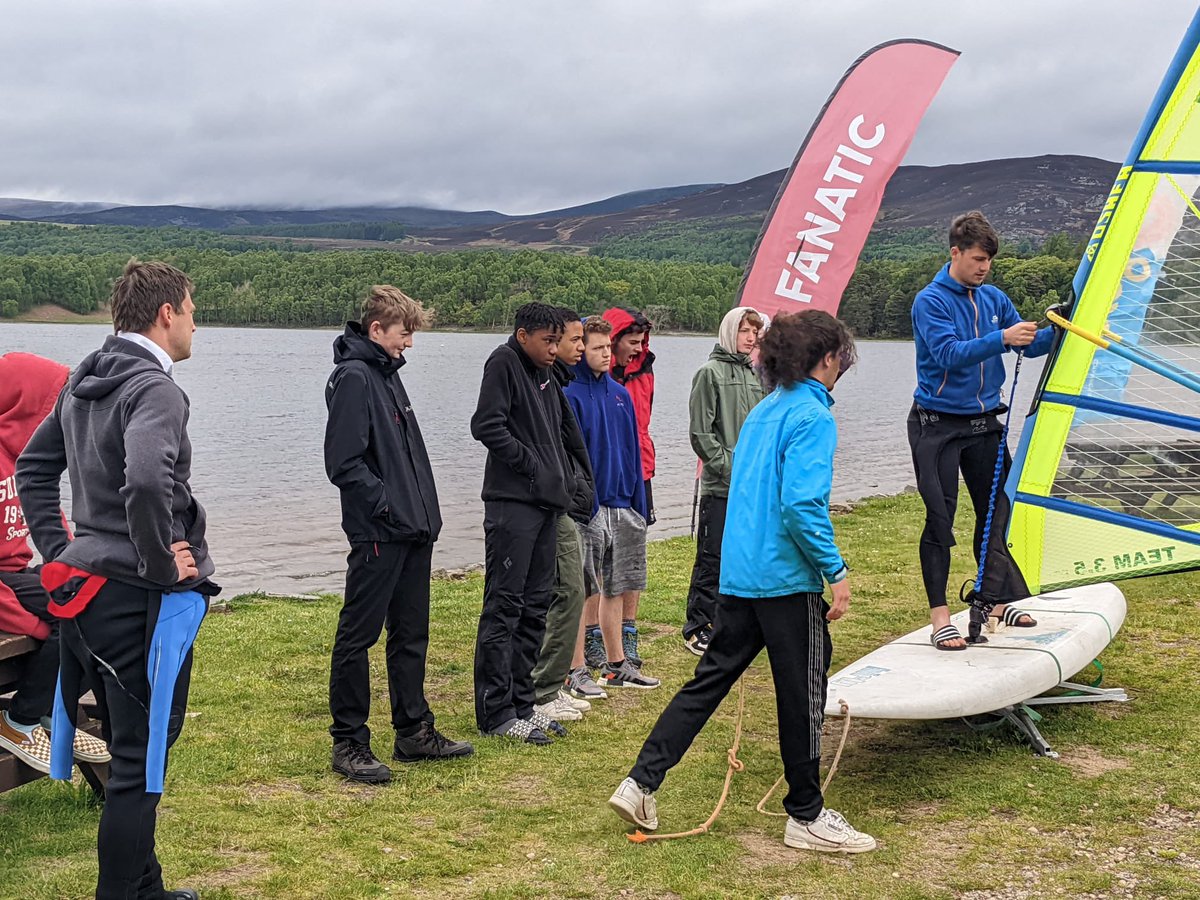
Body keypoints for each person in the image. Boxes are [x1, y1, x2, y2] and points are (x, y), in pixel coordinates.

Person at [608, 310, 876, 855]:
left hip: (740, 576)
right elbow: (802, 504)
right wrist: (835, 569)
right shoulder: (811, 417)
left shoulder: (763, 411)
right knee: (802, 691)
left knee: (709, 680)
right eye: (842, 353)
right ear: (827, 358)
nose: (845, 362)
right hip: (782, 581)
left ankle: (641, 782)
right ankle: (806, 814)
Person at [17, 259, 216, 900]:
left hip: (84, 591)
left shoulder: (84, 376)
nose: (194, 321)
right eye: (191, 308)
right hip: (134, 598)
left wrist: (57, 554)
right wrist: (159, 563)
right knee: (140, 758)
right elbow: (148, 481)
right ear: (167, 314)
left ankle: (145, 886)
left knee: (139, 745)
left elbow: (31, 469)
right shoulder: (155, 389)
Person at [323, 286, 474, 784]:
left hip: (413, 532)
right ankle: (349, 741)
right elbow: (343, 462)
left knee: (411, 635)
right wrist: (387, 507)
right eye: (404, 332)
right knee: (358, 636)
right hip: (378, 534)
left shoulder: (386, 376)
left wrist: (420, 514)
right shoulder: (353, 378)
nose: (409, 342)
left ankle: (413, 730)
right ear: (377, 329)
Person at [909, 211, 1054, 650]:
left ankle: (993, 599)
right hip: (936, 426)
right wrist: (1003, 339)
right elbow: (950, 354)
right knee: (941, 519)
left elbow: (1029, 346)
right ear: (955, 252)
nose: (983, 267)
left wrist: (1059, 325)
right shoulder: (930, 300)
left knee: (997, 513)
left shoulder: (993, 298)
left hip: (984, 425)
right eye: (976, 258)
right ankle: (939, 618)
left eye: (988, 260)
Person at [0, 352, 110, 773]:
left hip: (16, 574)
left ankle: (51, 713)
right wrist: (27, 619)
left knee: (106, 598)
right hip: (4, 584)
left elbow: (52, 523)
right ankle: (22, 718)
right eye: (51, 411)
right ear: (22, 407)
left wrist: (74, 566)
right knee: (82, 613)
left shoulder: (28, 459)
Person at [470, 302, 572, 744]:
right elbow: (486, 426)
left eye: (557, 341)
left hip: (545, 505)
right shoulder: (504, 362)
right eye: (547, 341)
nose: (554, 349)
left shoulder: (545, 375)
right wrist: (531, 467)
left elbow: (561, 436)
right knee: (505, 606)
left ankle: (522, 703)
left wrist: (566, 480)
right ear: (523, 334)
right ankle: (496, 712)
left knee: (536, 605)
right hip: (513, 505)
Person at [564, 318, 659, 691]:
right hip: (589, 507)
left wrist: (637, 502)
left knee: (617, 587)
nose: (606, 354)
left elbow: (633, 452)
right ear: (581, 349)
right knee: (581, 588)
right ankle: (575, 670)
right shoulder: (569, 394)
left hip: (623, 505)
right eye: (597, 348)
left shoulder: (620, 394)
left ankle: (616, 665)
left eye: (608, 347)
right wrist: (581, 505)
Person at [682, 306, 766, 656]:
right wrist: (728, 468)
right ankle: (697, 627)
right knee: (712, 557)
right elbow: (701, 433)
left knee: (743, 557)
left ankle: (729, 623)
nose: (750, 337)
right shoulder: (709, 373)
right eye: (745, 330)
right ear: (730, 330)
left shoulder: (753, 375)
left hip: (753, 488)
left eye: (755, 332)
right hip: (722, 487)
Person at [530, 308, 598, 722]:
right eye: (574, 340)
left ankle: (550, 685)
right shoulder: (544, 382)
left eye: (572, 341)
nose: (571, 348)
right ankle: (545, 688)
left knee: (575, 589)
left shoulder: (556, 382)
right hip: (555, 505)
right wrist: (565, 487)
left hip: (567, 501)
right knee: (567, 590)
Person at [584, 307, 654, 671]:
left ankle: (624, 640)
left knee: (626, 569)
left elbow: (636, 433)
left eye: (641, 343)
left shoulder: (638, 378)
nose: (635, 350)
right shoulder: (577, 387)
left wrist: (638, 494)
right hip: (594, 492)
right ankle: (589, 642)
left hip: (632, 481)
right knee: (590, 572)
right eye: (631, 342)